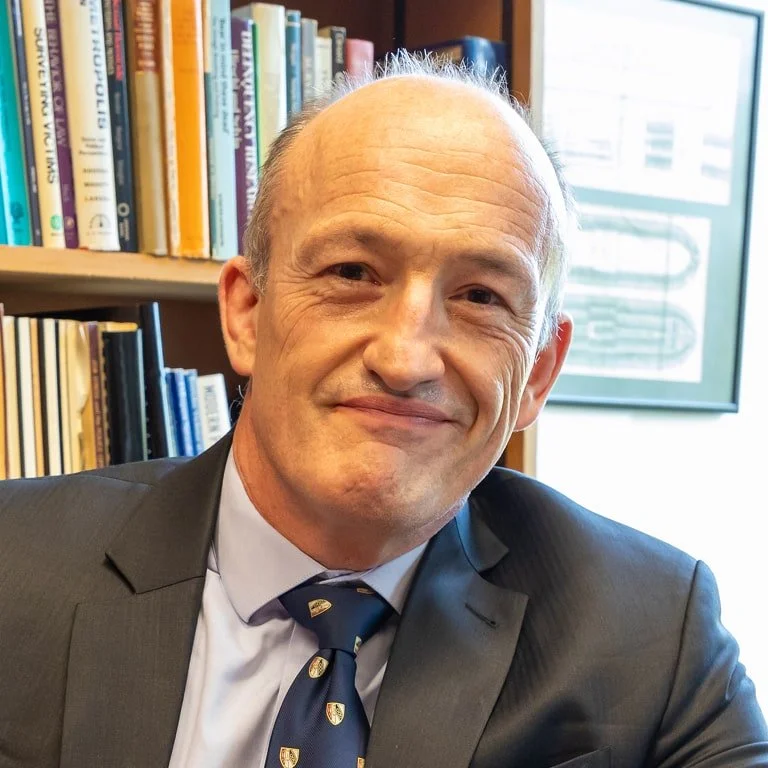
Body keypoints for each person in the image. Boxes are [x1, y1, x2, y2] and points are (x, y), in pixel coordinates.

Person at [0, 54, 765, 768]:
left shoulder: (653, 637)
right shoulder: (14, 563)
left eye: (481, 296)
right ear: (247, 314)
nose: (405, 360)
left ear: (537, 372)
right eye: (353, 272)